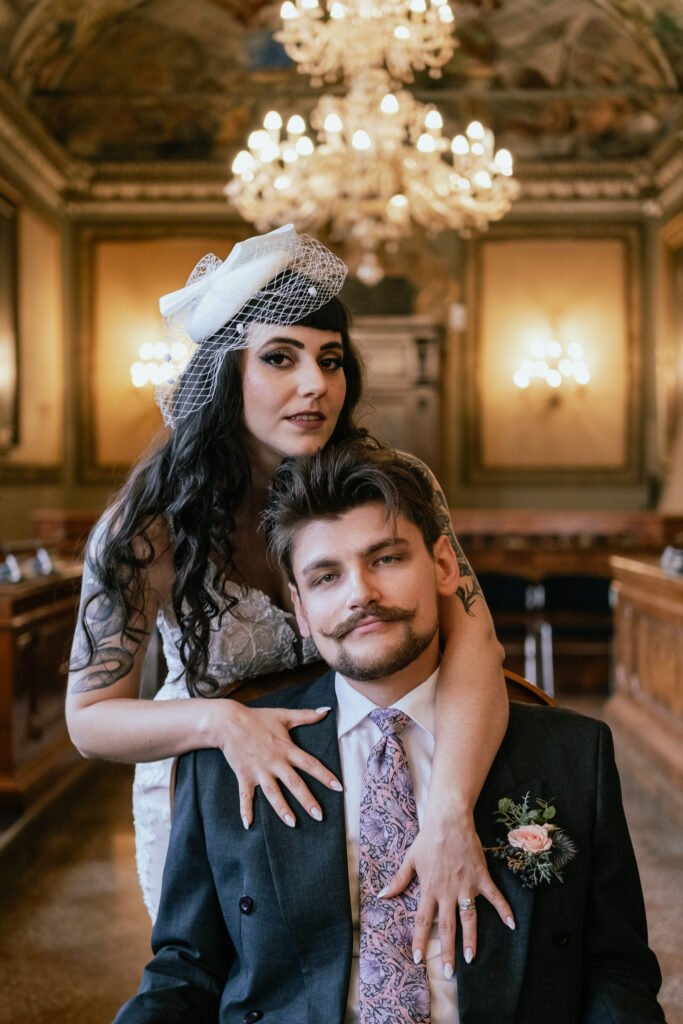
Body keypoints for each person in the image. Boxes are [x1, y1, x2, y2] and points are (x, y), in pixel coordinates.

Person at [66, 225, 510, 962]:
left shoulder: (395, 484)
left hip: (373, 764)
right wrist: (221, 723)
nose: (316, 385)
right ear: (224, 371)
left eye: (331, 361)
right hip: (210, 787)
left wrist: (448, 811)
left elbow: (474, 644)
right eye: (280, 357)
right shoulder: (146, 524)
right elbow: (90, 720)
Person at [114, 442, 664, 1024]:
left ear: (445, 567)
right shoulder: (226, 763)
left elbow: (616, 972)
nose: (361, 594)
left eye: (387, 559)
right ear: (301, 610)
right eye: (327, 577)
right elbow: (186, 972)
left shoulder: (572, 754)